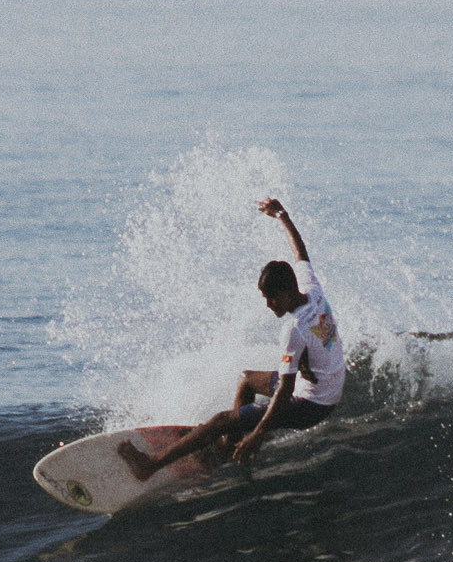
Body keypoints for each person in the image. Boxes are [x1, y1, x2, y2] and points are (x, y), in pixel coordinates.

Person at [119, 198, 346, 480]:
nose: (268, 305)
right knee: (246, 378)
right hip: (328, 385)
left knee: (221, 419)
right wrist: (281, 215)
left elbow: (285, 391)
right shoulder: (312, 289)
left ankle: (150, 465)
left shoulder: (294, 329)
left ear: (288, 292)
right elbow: (299, 250)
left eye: (271, 298)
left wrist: (259, 434)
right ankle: (229, 445)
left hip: (312, 404)